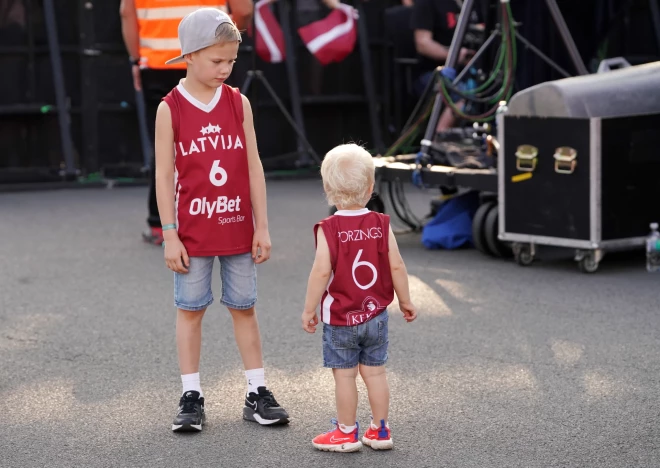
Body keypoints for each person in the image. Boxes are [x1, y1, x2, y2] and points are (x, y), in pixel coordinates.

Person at [154, 7, 289, 432]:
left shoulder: (239, 102)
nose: (226, 69)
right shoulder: (169, 108)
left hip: (238, 230)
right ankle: (191, 395)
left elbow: (253, 165)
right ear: (190, 56)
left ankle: (256, 391)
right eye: (218, 61)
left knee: (244, 309)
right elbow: (163, 175)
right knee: (190, 311)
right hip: (192, 234)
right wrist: (170, 234)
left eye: (232, 60)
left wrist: (262, 225)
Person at [301, 143, 417, 452]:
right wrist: (405, 300)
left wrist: (309, 308)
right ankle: (380, 430)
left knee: (345, 376)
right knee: (375, 372)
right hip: (375, 314)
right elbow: (396, 264)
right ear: (370, 187)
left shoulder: (329, 228)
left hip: (341, 318)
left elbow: (321, 271)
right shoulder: (381, 224)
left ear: (328, 189)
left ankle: (346, 432)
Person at [119, 0, 254, 246]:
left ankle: (160, 223)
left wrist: (135, 60)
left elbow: (126, 12)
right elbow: (244, 10)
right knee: (216, 144)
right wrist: (224, 42)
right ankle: (217, 217)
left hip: (158, 61)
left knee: (164, 147)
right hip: (209, 55)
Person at [411, 0, 476, 131]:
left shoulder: (477, 4)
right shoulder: (428, 3)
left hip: (473, 71)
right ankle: (438, 140)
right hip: (435, 72)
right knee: (466, 95)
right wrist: (454, 55)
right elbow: (423, 43)